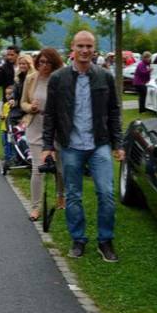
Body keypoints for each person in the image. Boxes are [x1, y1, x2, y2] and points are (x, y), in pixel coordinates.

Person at [42, 31, 123, 262]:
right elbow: (51, 115)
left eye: (89, 46)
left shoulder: (104, 77)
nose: (85, 50)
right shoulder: (59, 78)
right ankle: (78, 239)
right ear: (72, 48)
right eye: (81, 46)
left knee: (106, 194)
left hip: (99, 144)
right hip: (70, 146)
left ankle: (105, 240)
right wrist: (47, 145)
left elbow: (114, 112)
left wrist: (118, 142)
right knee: (73, 195)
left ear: (94, 48)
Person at [21, 48, 65, 221]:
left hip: (56, 128)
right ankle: (35, 207)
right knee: (37, 169)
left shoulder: (60, 79)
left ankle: (61, 194)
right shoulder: (31, 78)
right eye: (41, 62)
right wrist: (30, 107)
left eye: (48, 62)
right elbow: (22, 102)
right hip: (36, 125)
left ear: (54, 64)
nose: (44, 65)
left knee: (59, 169)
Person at [0, 86, 15, 167]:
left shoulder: (13, 105)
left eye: (10, 94)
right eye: (6, 94)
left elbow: (10, 115)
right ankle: (7, 158)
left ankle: (12, 158)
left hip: (10, 129)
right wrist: (1, 115)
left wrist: (5, 116)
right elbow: (3, 114)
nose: (8, 96)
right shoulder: (5, 104)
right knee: (5, 143)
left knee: (11, 143)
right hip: (4, 128)